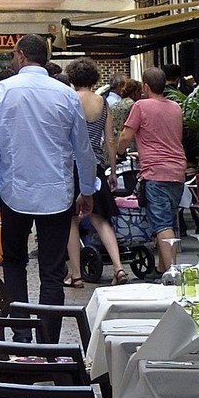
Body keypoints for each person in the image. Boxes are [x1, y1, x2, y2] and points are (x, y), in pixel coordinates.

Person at [0, 32, 98, 307]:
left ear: (21, 56)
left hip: (14, 190)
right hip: (56, 192)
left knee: (14, 263)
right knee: (52, 272)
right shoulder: (66, 94)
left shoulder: (3, 91)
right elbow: (83, 149)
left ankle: (20, 335)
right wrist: (88, 189)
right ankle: (50, 343)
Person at [65, 60, 129, 286]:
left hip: (71, 164)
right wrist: (111, 169)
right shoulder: (103, 103)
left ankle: (76, 274)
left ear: (72, 78)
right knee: (101, 219)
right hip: (96, 166)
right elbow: (110, 139)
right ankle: (119, 267)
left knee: (71, 221)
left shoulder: (70, 100)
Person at [121, 64, 188, 274]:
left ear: (146, 86)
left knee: (161, 223)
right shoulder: (176, 107)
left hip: (155, 171)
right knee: (170, 221)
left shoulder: (141, 106)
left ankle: (173, 273)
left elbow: (125, 137)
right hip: (177, 170)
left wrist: (120, 153)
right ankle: (162, 268)